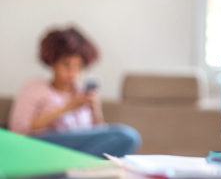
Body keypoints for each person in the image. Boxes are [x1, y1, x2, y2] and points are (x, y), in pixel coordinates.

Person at [8, 27, 141, 157]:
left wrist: (96, 113)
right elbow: (19, 131)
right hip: (40, 148)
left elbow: (96, 139)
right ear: (53, 63)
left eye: (79, 66)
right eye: (66, 65)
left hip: (75, 152)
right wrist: (67, 108)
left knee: (124, 139)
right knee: (126, 135)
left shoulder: (81, 93)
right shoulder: (35, 87)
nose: (73, 73)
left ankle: (71, 168)